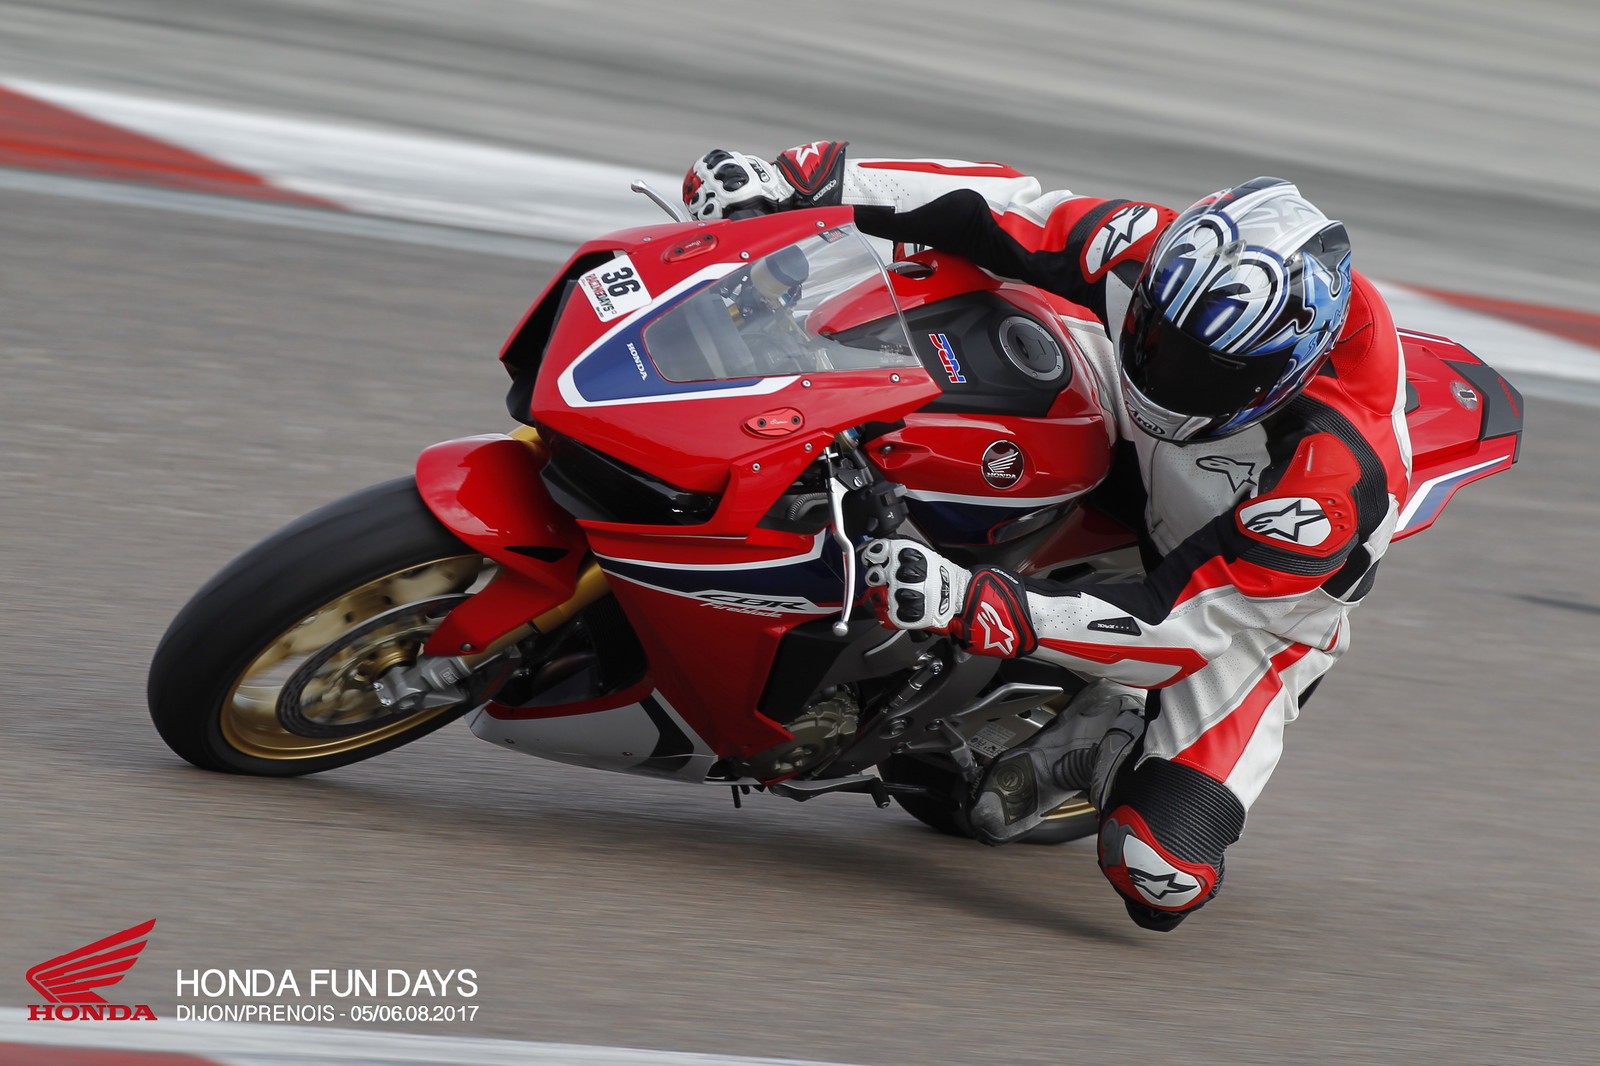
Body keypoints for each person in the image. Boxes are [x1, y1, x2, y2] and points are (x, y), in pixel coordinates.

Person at [683, 144, 1412, 931]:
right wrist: (799, 183)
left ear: (1285, 370)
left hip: (1243, 613)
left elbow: (1177, 628)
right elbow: (1005, 208)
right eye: (1158, 337)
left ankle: (1100, 737)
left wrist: (972, 602)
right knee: (960, 311)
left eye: (1203, 371)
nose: (1166, 373)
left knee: (1161, 874)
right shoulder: (1171, 261)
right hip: (1130, 432)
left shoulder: (1332, 481)